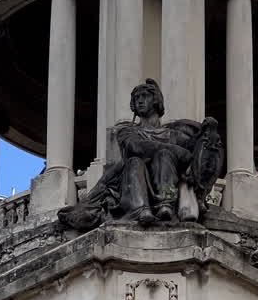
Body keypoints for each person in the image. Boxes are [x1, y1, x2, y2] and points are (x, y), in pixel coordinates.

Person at [58, 79, 222, 230]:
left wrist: (208, 134)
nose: (140, 101)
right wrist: (178, 151)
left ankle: (166, 204)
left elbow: (196, 158)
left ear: (156, 100)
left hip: (167, 187)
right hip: (134, 183)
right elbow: (135, 147)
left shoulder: (173, 135)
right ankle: (141, 209)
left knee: (164, 155)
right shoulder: (127, 132)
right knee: (135, 161)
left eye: (145, 96)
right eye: (136, 98)